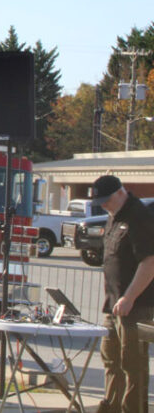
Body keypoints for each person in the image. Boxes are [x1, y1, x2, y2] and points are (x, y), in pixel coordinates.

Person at [90, 175, 154, 413]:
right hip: (113, 303)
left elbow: (149, 261)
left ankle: (133, 410)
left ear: (120, 193)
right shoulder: (113, 217)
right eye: (101, 202)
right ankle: (111, 406)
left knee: (133, 364)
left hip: (135, 305)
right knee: (110, 359)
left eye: (107, 200)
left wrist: (130, 297)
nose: (104, 205)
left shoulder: (139, 216)